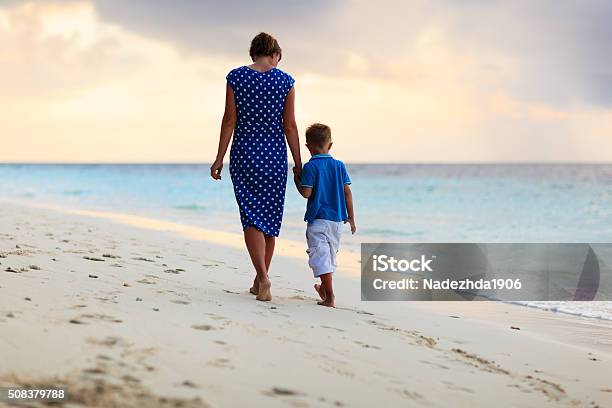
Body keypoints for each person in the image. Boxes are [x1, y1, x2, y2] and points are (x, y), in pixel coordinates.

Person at [211, 32, 302, 302]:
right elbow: (290, 126)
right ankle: (261, 277)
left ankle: (261, 278)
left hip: (245, 155)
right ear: (274, 54)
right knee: (270, 219)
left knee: (251, 216)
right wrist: (298, 163)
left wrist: (219, 158)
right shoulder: (285, 81)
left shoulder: (236, 77)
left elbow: (229, 120)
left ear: (254, 53)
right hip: (274, 157)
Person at [293, 123, 356, 307]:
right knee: (329, 257)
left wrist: (297, 178)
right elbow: (347, 192)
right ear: (330, 144)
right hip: (337, 221)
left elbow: (306, 194)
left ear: (308, 146)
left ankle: (330, 297)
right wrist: (351, 217)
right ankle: (324, 289)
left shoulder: (310, 167)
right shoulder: (339, 165)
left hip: (318, 220)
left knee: (320, 256)